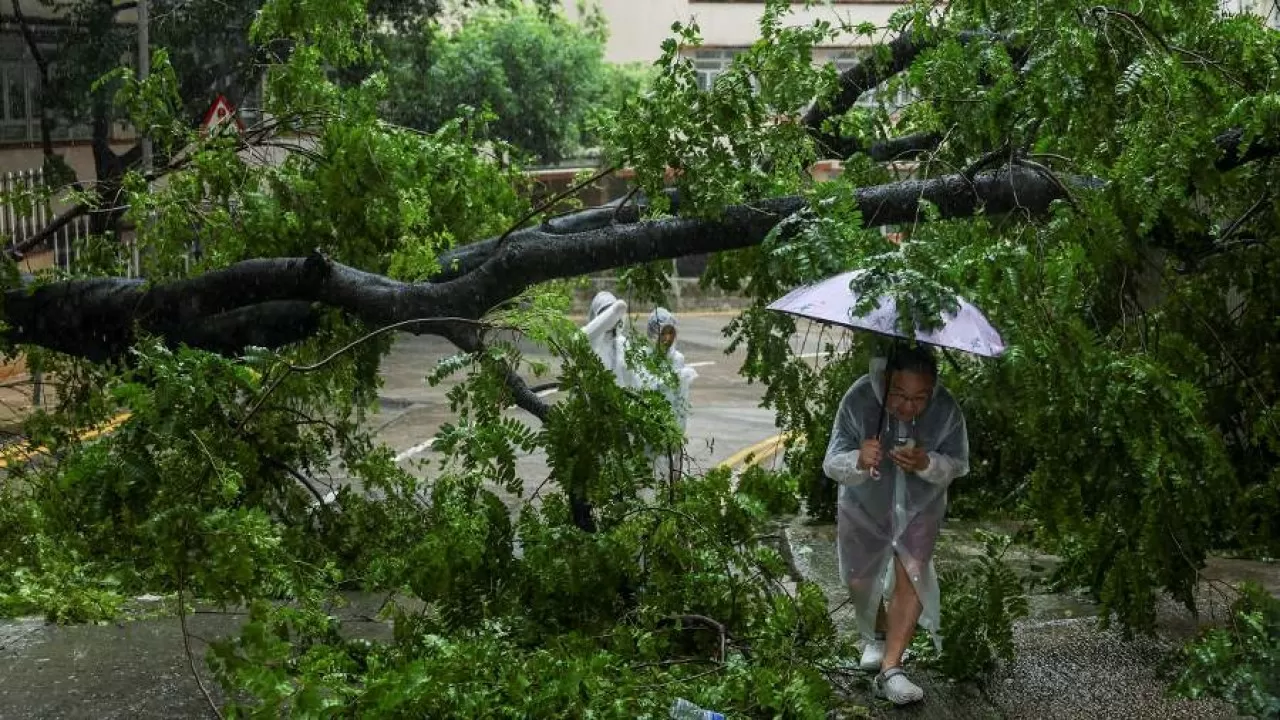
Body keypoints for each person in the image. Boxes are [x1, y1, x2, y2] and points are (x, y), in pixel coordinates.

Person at [821, 344, 969, 706]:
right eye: (900, 394)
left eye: (919, 398)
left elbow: (958, 462)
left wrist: (926, 463)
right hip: (863, 504)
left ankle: (893, 667)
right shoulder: (858, 399)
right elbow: (831, 462)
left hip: (922, 506)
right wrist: (857, 458)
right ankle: (878, 633)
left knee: (913, 572)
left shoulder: (946, 407)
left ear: (932, 389)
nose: (908, 406)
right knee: (858, 578)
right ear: (886, 380)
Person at [641, 308, 698, 483]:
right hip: (650, 432)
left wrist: (677, 432)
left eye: (670, 333)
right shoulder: (644, 358)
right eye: (662, 333)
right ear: (653, 334)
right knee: (652, 479)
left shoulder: (678, 359)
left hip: (673, 431)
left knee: (673, 479)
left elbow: (680, 400)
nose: (667, 338)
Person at [582, 291, 635, 388]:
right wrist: (614, 312)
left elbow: (631, 376)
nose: (611, 320)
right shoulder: (591, 341)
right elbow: (585, 334)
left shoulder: (622, 342)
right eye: (604, 313)